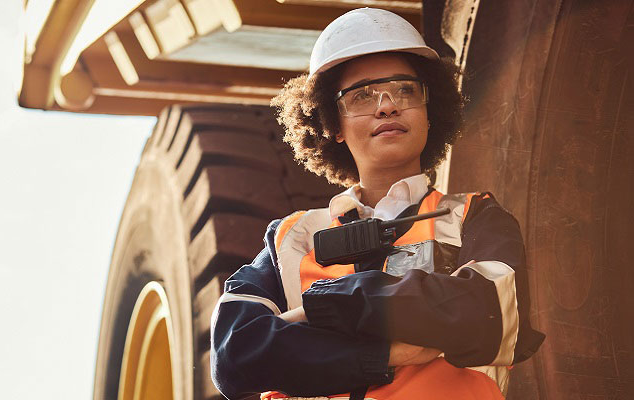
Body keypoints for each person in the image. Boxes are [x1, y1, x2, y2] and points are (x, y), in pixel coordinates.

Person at [210, 8, 544, 400]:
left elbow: (488, 315)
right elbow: (235, 355)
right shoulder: (291, 237)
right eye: (362, 95)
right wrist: (380, 353)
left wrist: (322, 308)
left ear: (429, 111)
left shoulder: (475, 217)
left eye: (405, 89)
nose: (387, 106)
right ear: (332, 123)